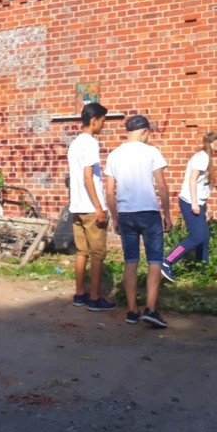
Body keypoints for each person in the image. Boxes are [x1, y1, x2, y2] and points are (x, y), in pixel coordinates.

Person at [104, 115, 172, 328]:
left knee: (130, 261)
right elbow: (162, 186)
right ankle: (150, 309)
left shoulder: (114, 155)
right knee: (155, 260)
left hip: (126, 213)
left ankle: (132, 311)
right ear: (144, 131)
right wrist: (167, 214)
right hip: (149, 213)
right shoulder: (152, 152)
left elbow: (109, 192)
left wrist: (115, 217)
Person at [67, 103, 115, 311]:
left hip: (77, 206)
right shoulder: (91, 143)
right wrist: (98, 207)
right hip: (90, 207)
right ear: (94, 120)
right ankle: (95, 298)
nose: (103, 125)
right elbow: (88, 177)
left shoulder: (75, 143)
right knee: (97, 254)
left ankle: (80, 294)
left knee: (81, 252)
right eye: (103, 121)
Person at [162, 130, 217, 282]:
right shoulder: (202, 157)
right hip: (190, 202)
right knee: (197, 237)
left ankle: (202, 268)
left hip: (197, 202)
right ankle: (166, 261)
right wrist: (195, 203)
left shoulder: (205, 156)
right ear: (216, 142)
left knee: (204, 237)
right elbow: (192, 180)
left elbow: (199, 182)